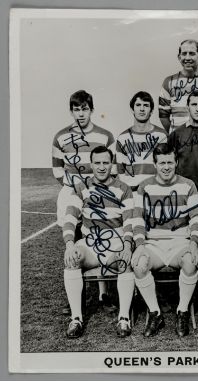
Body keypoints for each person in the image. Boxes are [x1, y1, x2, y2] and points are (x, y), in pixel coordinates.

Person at [52, 90, 116, 314]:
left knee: (97, 236)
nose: (80, 114)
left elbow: (112, 168)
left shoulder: (105, 135)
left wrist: (92, 186)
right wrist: (76, 185)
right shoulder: (60, 136)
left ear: (92, 110)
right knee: (73, 241)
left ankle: (103, 294)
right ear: (71, 111)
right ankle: (75, 298)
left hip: (98, 192)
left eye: (85, 109)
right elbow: (57, 169)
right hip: (71, 192)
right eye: (76, 109)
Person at [62, 146, 134, 339]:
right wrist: (70, 244)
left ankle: (124, 318)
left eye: (106, 163)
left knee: (124, 261)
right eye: (97, 163)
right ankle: (76, 318)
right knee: (72, 259)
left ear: (112, 164)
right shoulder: (81, 187)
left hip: (116, 242)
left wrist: (127, 246)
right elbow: (70, 217)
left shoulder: (123, 188)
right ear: (91, 164)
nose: (102, 167)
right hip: (91, 243)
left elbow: (129, 222)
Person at [131, 143, 198, 338]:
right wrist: (139, 246)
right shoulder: (145, 186)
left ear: (176, 162)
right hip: (153, 243)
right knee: (138, 264)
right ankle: (155, 313)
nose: (166, 167)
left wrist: (194, 243)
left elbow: (196, 218)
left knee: (190, 261)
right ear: (155, 164)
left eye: (170, 162)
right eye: (161, 163)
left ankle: (182, 311)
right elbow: (137, 218)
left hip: (181, 241)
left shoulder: (188, 185)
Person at [159, 39, 198, 133]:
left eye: (192, 53)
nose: (187, 58)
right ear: (179, 57)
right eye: (184, 54)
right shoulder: (169, 82)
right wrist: (176, 134)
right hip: (179, 142)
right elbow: (163, 116)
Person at [116, 91, 167, 192]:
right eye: (138, 105)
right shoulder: (122, 138)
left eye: (146, 105)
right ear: (132, 109)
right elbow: (120, 171)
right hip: (132, 193)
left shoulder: (162, 136)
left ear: (151, 110)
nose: (142, 109)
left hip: (156, 192)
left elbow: (166, 166)